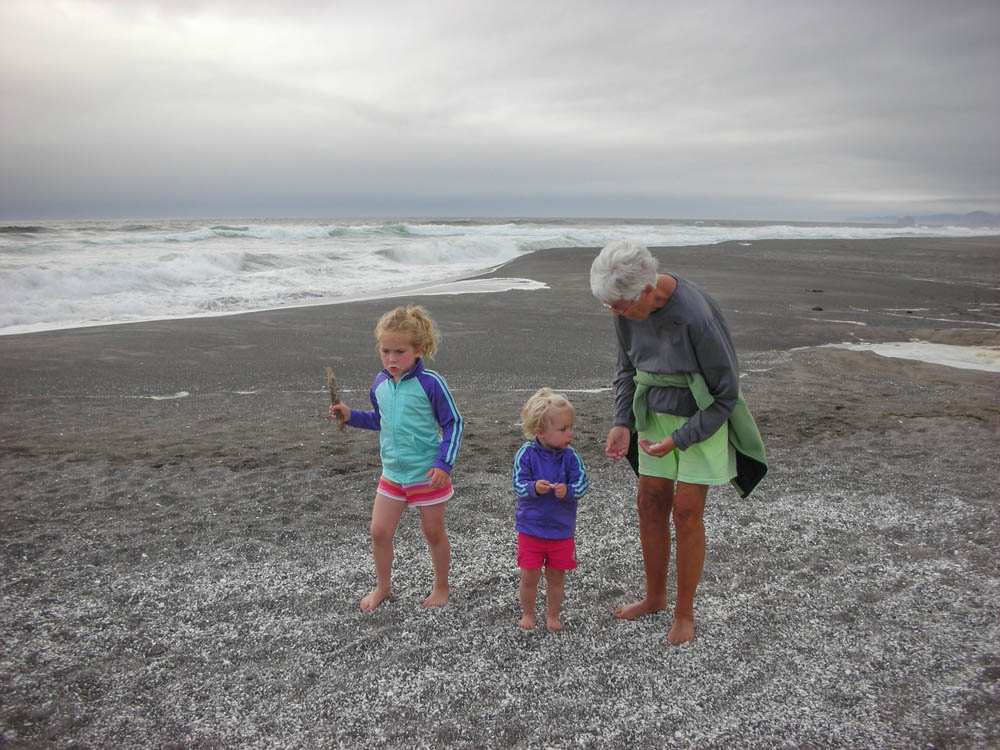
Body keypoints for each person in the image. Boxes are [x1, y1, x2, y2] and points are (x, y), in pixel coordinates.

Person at [590, 240, 766, 644]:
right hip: (654, 410)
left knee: (687, 512)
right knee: (649, 502)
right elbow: (626, 369)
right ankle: (654, 598)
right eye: (610, 306)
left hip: (701, 414)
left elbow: (725, 395)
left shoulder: (695, 316)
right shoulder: (624, 306)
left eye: (620, 305)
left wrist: (680, 438)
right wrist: (623, 422)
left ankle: (684, 612)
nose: (616, 313)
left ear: (648, 289)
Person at [330, 304, 463, 610]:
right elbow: (380, 420)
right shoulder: (378, 385)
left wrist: (444, 464)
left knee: (432, 532)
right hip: (392, 474)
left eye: (399, 351)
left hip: (427, 475)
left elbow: (453, 423)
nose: (391, 358)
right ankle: (383, 587)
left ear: (418, 350)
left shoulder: (431, 384)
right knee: (378, 531)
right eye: (385, 350)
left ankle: (441, 586)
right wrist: (350, 416)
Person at [512, 388, 589, 631]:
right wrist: (534, 487)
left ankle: (553, 615)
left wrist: (569, 490)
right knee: (529, 577)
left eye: (570, 427)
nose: (570, 433)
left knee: (556, 578)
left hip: (561, 531)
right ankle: (528, 613)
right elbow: (517, 484)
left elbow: (583, 483)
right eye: (563, 429)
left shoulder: (571, 457)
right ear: (540, 432)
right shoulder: (526, 453)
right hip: (531, 529)